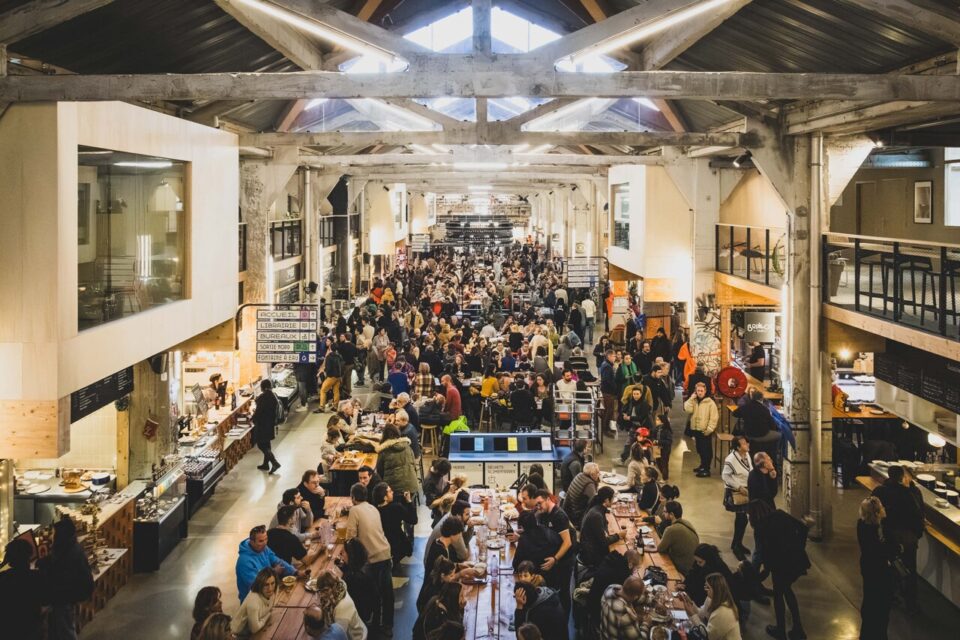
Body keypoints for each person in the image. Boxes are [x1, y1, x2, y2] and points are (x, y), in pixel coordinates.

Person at [749, 501, 809, 640]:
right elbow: (803, 528)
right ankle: (798, 629)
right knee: (787, 591)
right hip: (795, 561)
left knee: (778, 596)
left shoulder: (759, 528)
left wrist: (765, 571)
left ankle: (781, 630)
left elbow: (764, 553)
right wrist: (799, 547)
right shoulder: (780, 514)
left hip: (779, 566)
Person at [871, 464, 924, 613]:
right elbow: (918, 515)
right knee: (909, 569)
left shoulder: (880, 491)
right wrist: (917, 533)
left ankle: (891, 595)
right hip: (907, 537)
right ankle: (911, 603)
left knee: (890, 566)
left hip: (888, 535)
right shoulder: (910, 493)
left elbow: (872, 511)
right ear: (902, 477)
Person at [344, 482, 393, 636]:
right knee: (387, 592)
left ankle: (375, 625)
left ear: (353, 497)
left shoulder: (354, 510)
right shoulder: (373, 508)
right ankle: (388, 625)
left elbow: (350, 537)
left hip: (371, 557)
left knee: (374, 593)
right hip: (385, 551)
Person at [39, 516, 94, 640]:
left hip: (65, 597)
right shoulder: (70, 546)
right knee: (64, 625)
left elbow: (62, 578)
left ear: (60, 535)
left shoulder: (68, 553)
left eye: (54, 533)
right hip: (72, 593)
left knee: (65, 628)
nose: (52, 536)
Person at [858, 496, 900, 640]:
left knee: (869, 598)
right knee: (882, 607)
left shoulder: (861, 525)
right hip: (881, 570)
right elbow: (891, 549)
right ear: (877, 512)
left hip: (867, 567)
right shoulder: (882, 530)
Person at [535, 488, 575, 611]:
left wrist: (555, 559)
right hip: (554, 560)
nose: (538, 507)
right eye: (536, 504)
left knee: (563, 592)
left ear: (548, 499)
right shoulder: (543, 513)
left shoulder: (559, 516)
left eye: (540, 503)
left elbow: (567, 543)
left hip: (564, 561)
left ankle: (565, 621)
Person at [235, 525, 299, 601]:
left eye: (266, 539)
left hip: (267, 594)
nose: (265, 543)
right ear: (252, 542)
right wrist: (274, 572)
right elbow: (256, 585)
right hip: (253, 601)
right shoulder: (244, 562)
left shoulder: (263, 548)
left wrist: (295, 572)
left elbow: (278, 561)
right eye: (261, 541)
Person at [0, 538, 43, 640]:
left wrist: (2, 564)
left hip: (7, 631)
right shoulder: (36, 577)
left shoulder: (3, 578)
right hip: (31, 630)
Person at [681, 573, 742, 640]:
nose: (705, 589)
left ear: (716, 589)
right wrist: (691, 603)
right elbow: (702, 614)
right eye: (705, 586)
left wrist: (692, 614)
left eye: (708, 587)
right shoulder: (711, 599)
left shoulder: (723, 611)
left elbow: (708, 636)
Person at [722, 435, 753, 559]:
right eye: (744, 444)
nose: (747, 445)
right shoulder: (730, 460)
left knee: (743, 519)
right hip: (736, 492)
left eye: (747, 442)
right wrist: (739, 487)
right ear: (738, 447)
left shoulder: (747, 455)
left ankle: (737, 543)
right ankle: (736, 545)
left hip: (747, 491)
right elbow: (725, 476)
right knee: (741, 519)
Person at [372, 482, 418, 566]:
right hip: (398, 543)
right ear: (385, 497)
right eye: (390, 491)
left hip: (381, 543)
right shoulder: (396, 508)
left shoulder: (374, 509)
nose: (392, 492)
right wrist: (409, 501)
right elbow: (413, 520)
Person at [315, 570, 368, 640]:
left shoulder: (342, 607)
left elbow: (338, 635)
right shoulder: (338, 589)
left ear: (334, 586)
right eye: (320, 591)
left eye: (325, 590)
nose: (321, 595)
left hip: (356, 637)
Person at [579, 486, 624, 568]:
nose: (614, 501)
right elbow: (604, 542)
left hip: (590, 546)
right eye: (613, 498)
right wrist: (618, 535)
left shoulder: (597, 508)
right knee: (619, 559)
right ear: (606, 500)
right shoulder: (596, 516)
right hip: (591, 555)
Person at [340, 538, 380, 627]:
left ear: (351, 555)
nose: (341, 554)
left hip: (359, 616)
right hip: (369, 611)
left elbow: (343, 595)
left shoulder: (355, 577)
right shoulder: (363, 565)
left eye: (343, 552)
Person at [600, 576, 654, 640]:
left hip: (604, 633)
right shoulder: (625, 615)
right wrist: (646, 624)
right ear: (635, 597)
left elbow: (631, 596)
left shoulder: (611, 588)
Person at [684, 381, 718, 477]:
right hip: (696, 429)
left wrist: (709, 429)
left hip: (705, 431)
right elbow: (687, 409)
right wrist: (691, 399)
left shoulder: (710, 403)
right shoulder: (694, 401)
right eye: (698, 390)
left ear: (705, 391)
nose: (699, 392)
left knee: (706, 450)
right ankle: (702, 465)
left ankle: (706, 470)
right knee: (699, 449)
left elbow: (714, 418)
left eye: (701, 390)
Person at [375, 424, 420, 496]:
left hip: (393, 492)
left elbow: (380, 472)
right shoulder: (407, 446)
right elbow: (414, 467)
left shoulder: (384, 450)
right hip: (411, 488)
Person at [657, 501, 700, 575]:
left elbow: (660, 549)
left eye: (665, 512)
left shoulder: (671, 529)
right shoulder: (687, 523)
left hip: (682, 569)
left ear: (671, 514)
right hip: (693, 566)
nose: (662, 514)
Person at [425, 500, 473, 566]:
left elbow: (464, 540)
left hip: (431, 559)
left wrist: (470, 527)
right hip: (434, 567)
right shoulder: (454, 527)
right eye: (467, 514)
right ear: (458, 515)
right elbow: (463, 555)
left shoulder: (451, 516)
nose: (470, 517)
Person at [232, 568, 276, 636]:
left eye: (272, 583)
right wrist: (267, 616)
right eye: (266, 585)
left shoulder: (272, 591)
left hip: (253, 629)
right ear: (260, 585)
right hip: (238, 635)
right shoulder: (253, 602)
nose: (270, 588)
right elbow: (254, 629)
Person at [252, 379, 282, 473]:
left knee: (261, 445)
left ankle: (275, 462)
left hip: (262, 425)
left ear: (263, 387)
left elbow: (258, 412)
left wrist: (252, 418)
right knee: (267, 444)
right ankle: (266, 464)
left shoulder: (263, 397)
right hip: (270, 424)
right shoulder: (273, 396)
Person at [564, 462, 600, 528]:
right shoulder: (589, 485)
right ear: (592, 475)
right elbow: (596, 502)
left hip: (570, 512)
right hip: (578, 517)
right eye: (597, 473)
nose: (599, 474)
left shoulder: (580, 475)